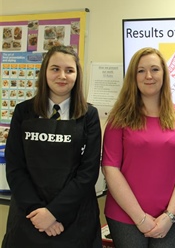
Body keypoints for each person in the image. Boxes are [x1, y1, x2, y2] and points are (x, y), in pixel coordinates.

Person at [2, 45, 102, 247]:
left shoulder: (89, 115)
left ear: (77, 75)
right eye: (55, 69)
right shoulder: (23, 112)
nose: (62, 76)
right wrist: (39, 213)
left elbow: (88, 172)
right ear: (45, 72)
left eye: (69, 70)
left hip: (73, 220)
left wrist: (54, 212)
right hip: (30, 216)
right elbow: (15, 167)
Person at [101, 47, 175, 248]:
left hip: (170, 218)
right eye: (141, 71)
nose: (149, 76)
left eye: (155, 69)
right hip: (126, 217)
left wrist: (169, 216)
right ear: (133, 77)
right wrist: (140, 218)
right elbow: (110, 168)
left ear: (164, 74)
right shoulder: (119, 117)